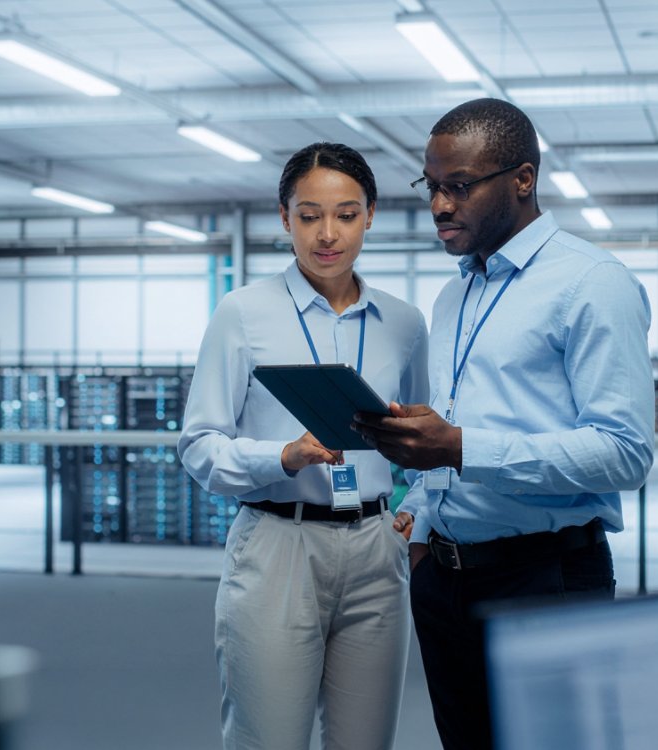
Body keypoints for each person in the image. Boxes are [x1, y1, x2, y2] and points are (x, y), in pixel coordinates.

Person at [353, 98, 655, 750]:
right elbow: (459, 419)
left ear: (522, 179)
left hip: (545, 582)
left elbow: (625, 452)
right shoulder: (455, 294)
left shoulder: (592, 283)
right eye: (432, 186)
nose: (439, 206)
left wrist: (460, 447)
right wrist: (424, 521)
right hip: (445, 581)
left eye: (459, 187)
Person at [178, 142, 429, 750]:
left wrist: (416, 517)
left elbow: (426, 440)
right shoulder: (243, 313)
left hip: (377, 549)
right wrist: (282, 457)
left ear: (370, 215)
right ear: (284, 217)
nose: (327, 234)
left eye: (346, 214)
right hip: (278, 544)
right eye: (309, 215)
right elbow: (199, 445)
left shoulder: (405, 323)